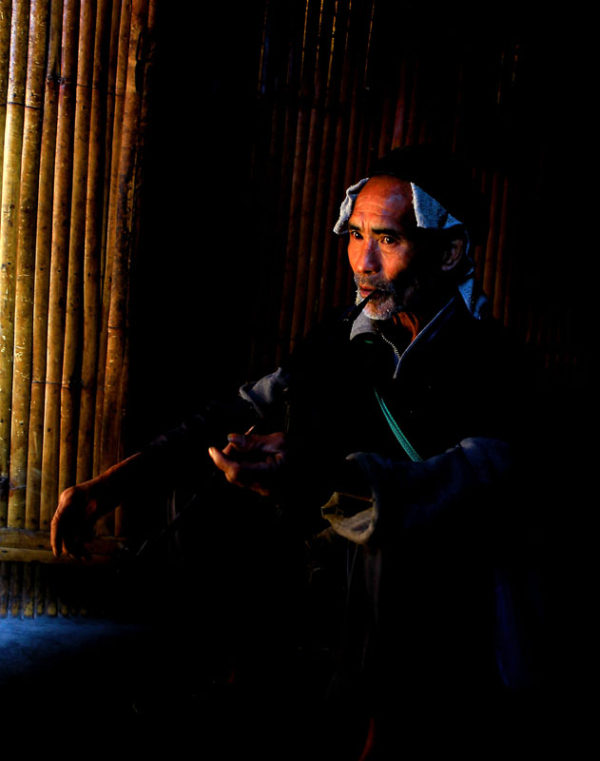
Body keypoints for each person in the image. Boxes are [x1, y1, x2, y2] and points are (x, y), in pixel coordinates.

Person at [51, 145, 546, 755]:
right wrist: (109, 487)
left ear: (448, 252)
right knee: (218, 492)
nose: (363, 262)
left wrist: (314, 475)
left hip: (439, 596)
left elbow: (457, 486)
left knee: (393, 545)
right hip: (327, 560)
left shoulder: (496, 365)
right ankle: (223, 684)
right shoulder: (342, 336)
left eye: (388, 240)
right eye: (356, 235)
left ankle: (379, 736)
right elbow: (240, 408)